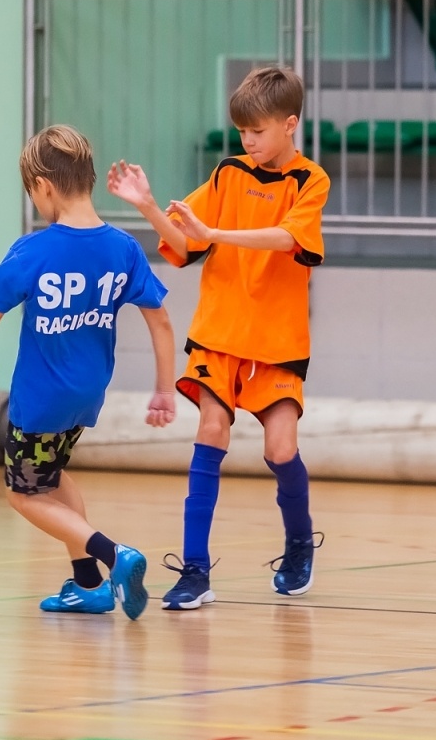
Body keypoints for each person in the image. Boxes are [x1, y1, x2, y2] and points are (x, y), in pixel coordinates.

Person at [107, 65, 330, 609]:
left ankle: (300, 543)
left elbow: (287, 239)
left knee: (281, 449)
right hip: (218, 334)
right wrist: (148, 206)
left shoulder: (310, 181)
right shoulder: (228, 173)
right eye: (242, 131)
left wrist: (216, 233)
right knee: (211, 431)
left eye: (257, 130)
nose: (247, 140)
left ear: (290, 124)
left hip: (277, 343)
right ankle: (195, 570)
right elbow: (186, 244)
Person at [0, 124, 176, 620]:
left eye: (31, 192)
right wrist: (164, 389)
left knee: (22, 494)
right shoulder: (122, 247)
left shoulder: (35, 250)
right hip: (87, 395)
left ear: (43, 186)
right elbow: (160, 321)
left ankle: (114, 555)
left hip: (41, 399)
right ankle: (87, 585)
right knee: (51, 476)